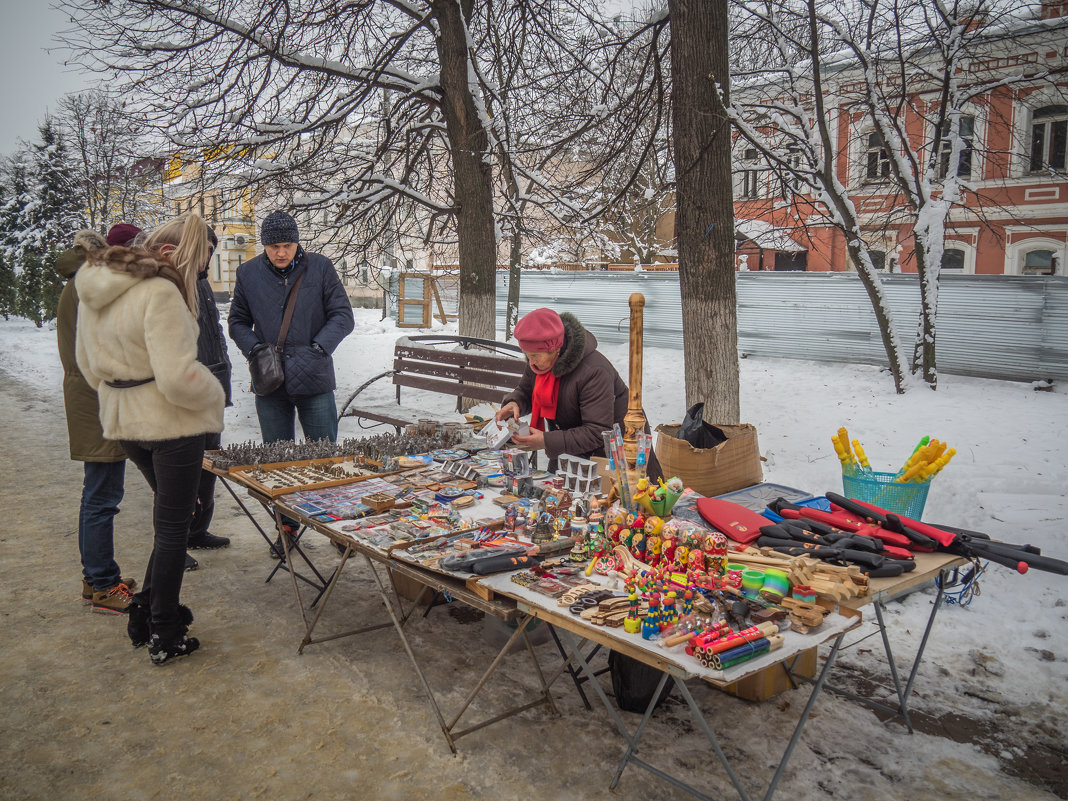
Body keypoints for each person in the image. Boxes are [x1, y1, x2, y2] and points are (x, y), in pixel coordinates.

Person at [75, 213, 225, 665]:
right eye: (197, 265)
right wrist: (212, 397)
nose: (198, 275)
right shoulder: (160, 292)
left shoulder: (97, 287)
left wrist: (124, 390)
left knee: (172, 521)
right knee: (174, 529)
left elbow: (88, 366)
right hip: (170, 424)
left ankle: (146, 611)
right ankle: (165, 629)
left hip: (125, 424)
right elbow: (179, 378)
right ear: (168, 254)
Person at [227, 210, 354, 555]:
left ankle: (338, 528)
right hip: (271, 381)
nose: (281, 253)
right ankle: (287, 527)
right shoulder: (248, 273)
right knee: (278, 461)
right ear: (264, 246)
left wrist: (319, 347)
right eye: (273, 246)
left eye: (287, 245)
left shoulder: (320, 268)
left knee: (325, 457)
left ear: (297, 242)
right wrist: (254, 349)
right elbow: (237, 320)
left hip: (314, 376)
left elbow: (343, 315)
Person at [55, 224, 142, 615]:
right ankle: (103, 584)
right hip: (98, 398)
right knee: (102, 496)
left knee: (100, 492)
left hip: (93, 394)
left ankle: (98, 577)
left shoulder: (82, 278)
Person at [496, 307, 628, 469]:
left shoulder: (594, 371)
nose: (531, 363)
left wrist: (547, 440)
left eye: (535, 356)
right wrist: (515, 402)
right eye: (527, 355)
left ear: (555, 348)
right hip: (568, 449)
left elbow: (597, 432)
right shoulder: (540, 363)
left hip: (610, 461)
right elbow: (526, 391)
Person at [186, 226, 233, 552]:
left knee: (209, 465)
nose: (209, 257)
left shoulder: (202, 282)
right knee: (184, 472)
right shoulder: (175, 282)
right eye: (205, 250)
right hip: (190, 389)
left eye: (212, 251)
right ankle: (178, 541)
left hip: (212, 386)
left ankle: (199, 531)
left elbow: (214, 333)